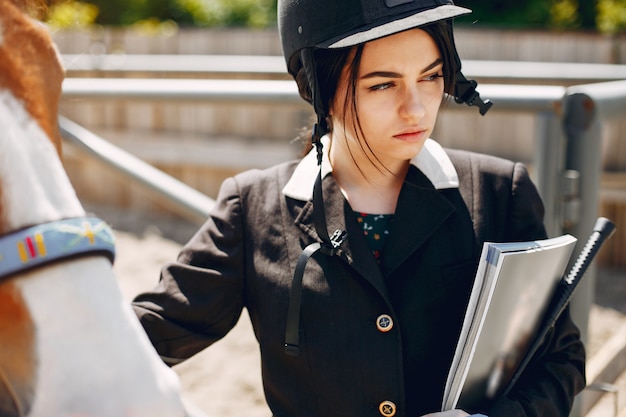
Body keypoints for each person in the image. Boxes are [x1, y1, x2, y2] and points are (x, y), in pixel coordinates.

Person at [132, 1, 586, 416]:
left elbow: (560, 359)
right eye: (383, 84)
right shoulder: (252, 208)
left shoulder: (499, 193)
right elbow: (143, 335)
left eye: (430, 76)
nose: (416, 108)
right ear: (318, 86)